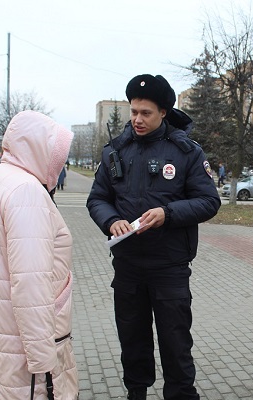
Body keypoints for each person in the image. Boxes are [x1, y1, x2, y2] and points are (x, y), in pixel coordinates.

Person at [86, 74, 221, 400]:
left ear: (163, 112)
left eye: (145, 113)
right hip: (129, 266)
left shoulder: (186, 152)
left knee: (175, 342)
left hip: (169, 267)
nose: (137, 119)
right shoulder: (116, 151)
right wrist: (112, 220)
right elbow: (97, 199)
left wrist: (168, 214)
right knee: (132, 339)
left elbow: (209, 201)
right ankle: (136, 393)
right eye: (134, 111)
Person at [0, 110, 78, 400]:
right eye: (57, 152)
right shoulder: (27, 192)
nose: (59, 161)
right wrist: (44, 361)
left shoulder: (1, 178)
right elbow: (31, 285)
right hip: (23, 343)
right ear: (39, 148)